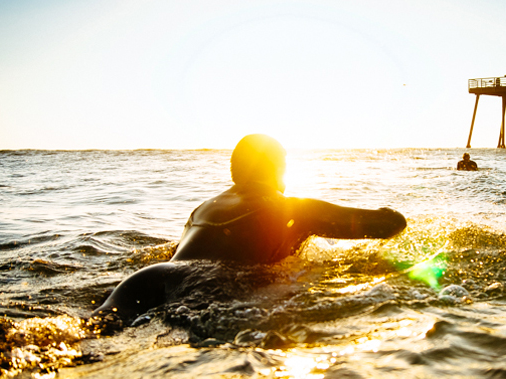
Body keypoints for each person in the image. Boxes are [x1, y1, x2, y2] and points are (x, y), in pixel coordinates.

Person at [93, 134, 407, 321]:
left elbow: (176, 254)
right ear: (278, 167)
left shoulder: (202, 208)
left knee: (92, 334)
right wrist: (390, 209)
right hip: (208, 286)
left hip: (145, 279)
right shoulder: (293, 209)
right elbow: (388, 226)